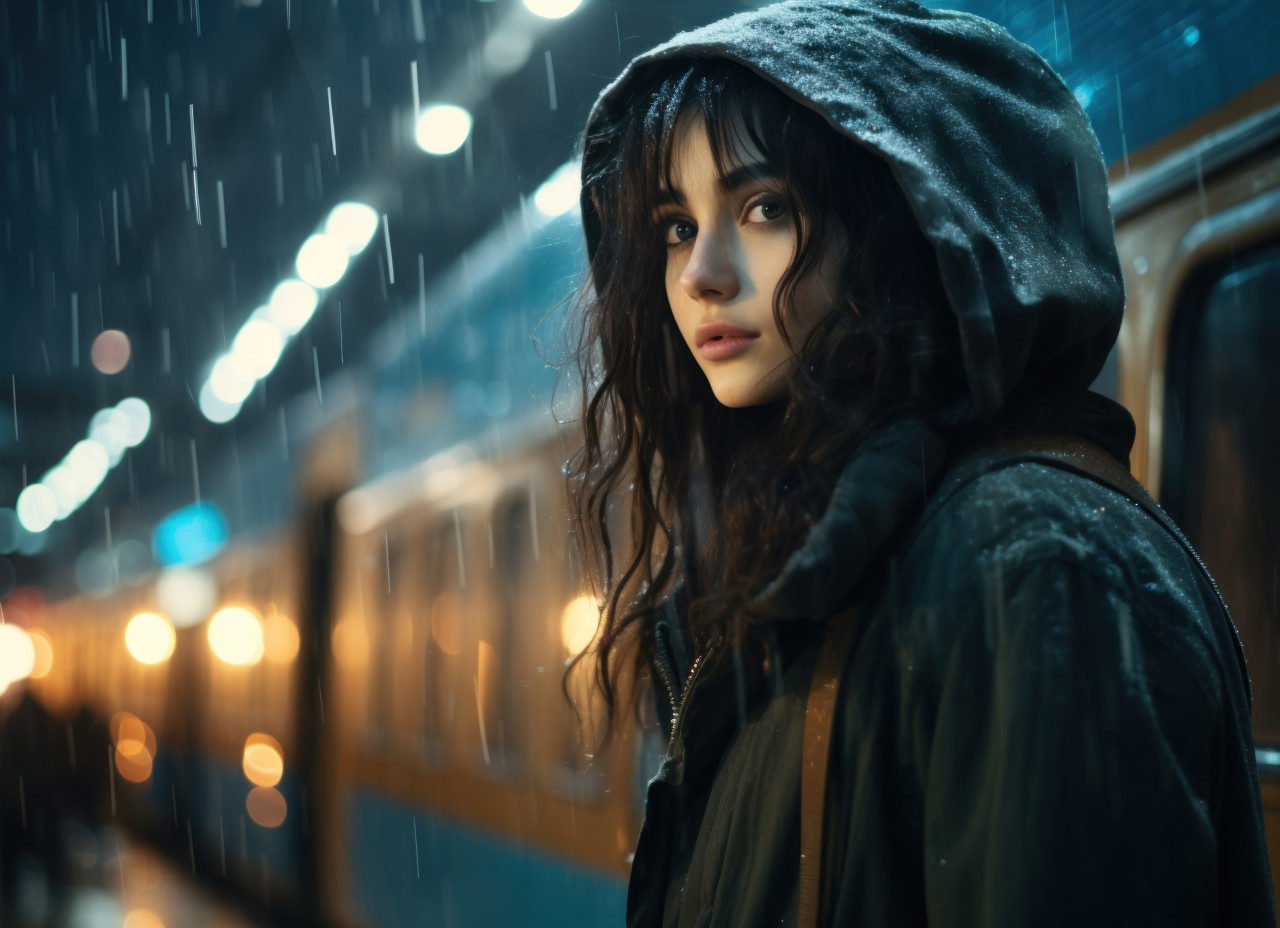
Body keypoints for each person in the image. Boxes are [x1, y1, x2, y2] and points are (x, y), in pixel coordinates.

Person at [563, 0, 1277, 925]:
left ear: (898, 233)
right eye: (675, 225)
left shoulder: (1031, 566)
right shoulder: (823, 566)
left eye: (764, 207)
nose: (701, 271)